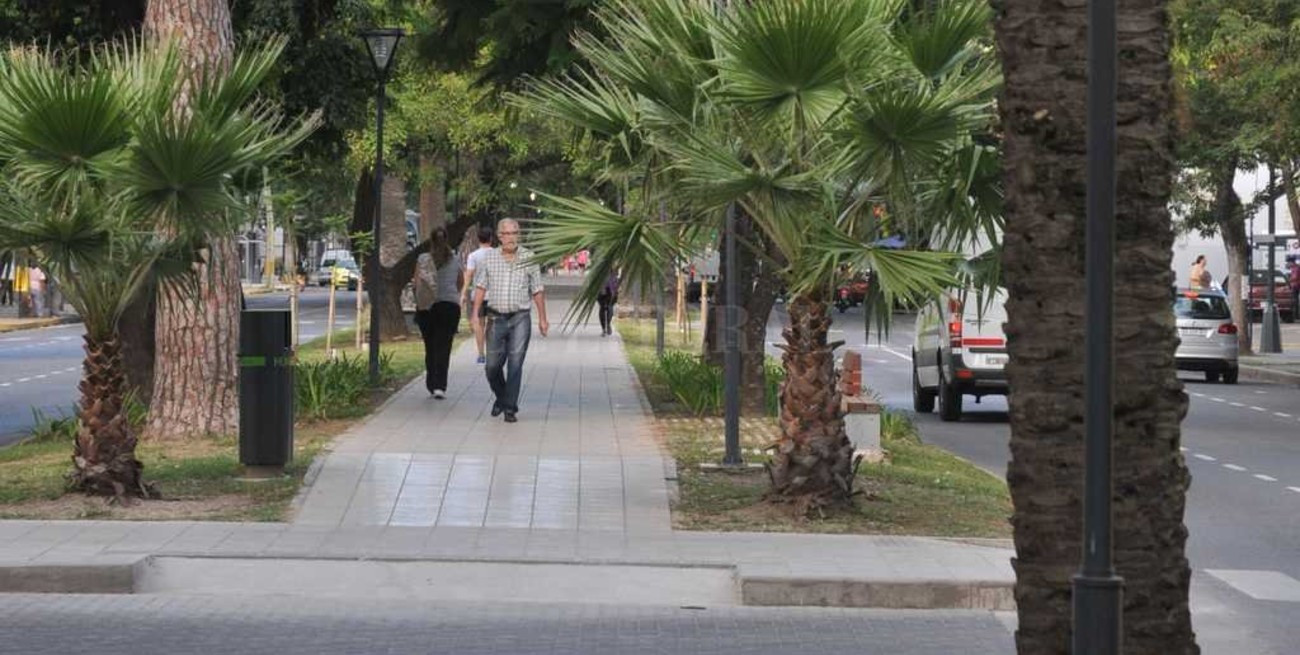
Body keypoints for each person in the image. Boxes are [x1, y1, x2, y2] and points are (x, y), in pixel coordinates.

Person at [471, 219, 548, 423]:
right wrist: (475, 313)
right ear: (499, 236)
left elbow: (537, 289)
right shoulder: (490, 258)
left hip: (520, 317)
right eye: (506, 234)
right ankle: (503, 397)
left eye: (514, 233)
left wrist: (543, 318)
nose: (511, 237)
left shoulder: (529, 257)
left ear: (518, 235)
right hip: (495, 318)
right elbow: (480, 286)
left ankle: (509, 408)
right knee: (492, 367)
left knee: (515, 363)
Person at [414, 228, 463, 399]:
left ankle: (431, 382)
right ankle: (440, 386)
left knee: (430, 345)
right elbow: (460, 283)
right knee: (444, 346)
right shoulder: (455, 260)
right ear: (447, 239)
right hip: (449, 306)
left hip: (428, 308)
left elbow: (416, 283)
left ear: (431, 240)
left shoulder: (423, 259)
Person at [460, 225, 495, 364]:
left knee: (479, 324)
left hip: (478, 295)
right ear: (491, 239)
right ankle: (492, 351)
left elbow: (468, 276)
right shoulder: (497, 254)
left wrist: (463, 294)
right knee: (492, 325)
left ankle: (481, 354)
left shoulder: (473, 256)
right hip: (494, 295)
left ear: (478, 239)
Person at [597, 269, 620, 336]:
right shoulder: (615, 262)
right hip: (611, 286)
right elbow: (617, 273)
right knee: (609, 306)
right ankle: (607, 325)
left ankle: (604, 328)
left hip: (603, 286)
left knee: (603, 308)